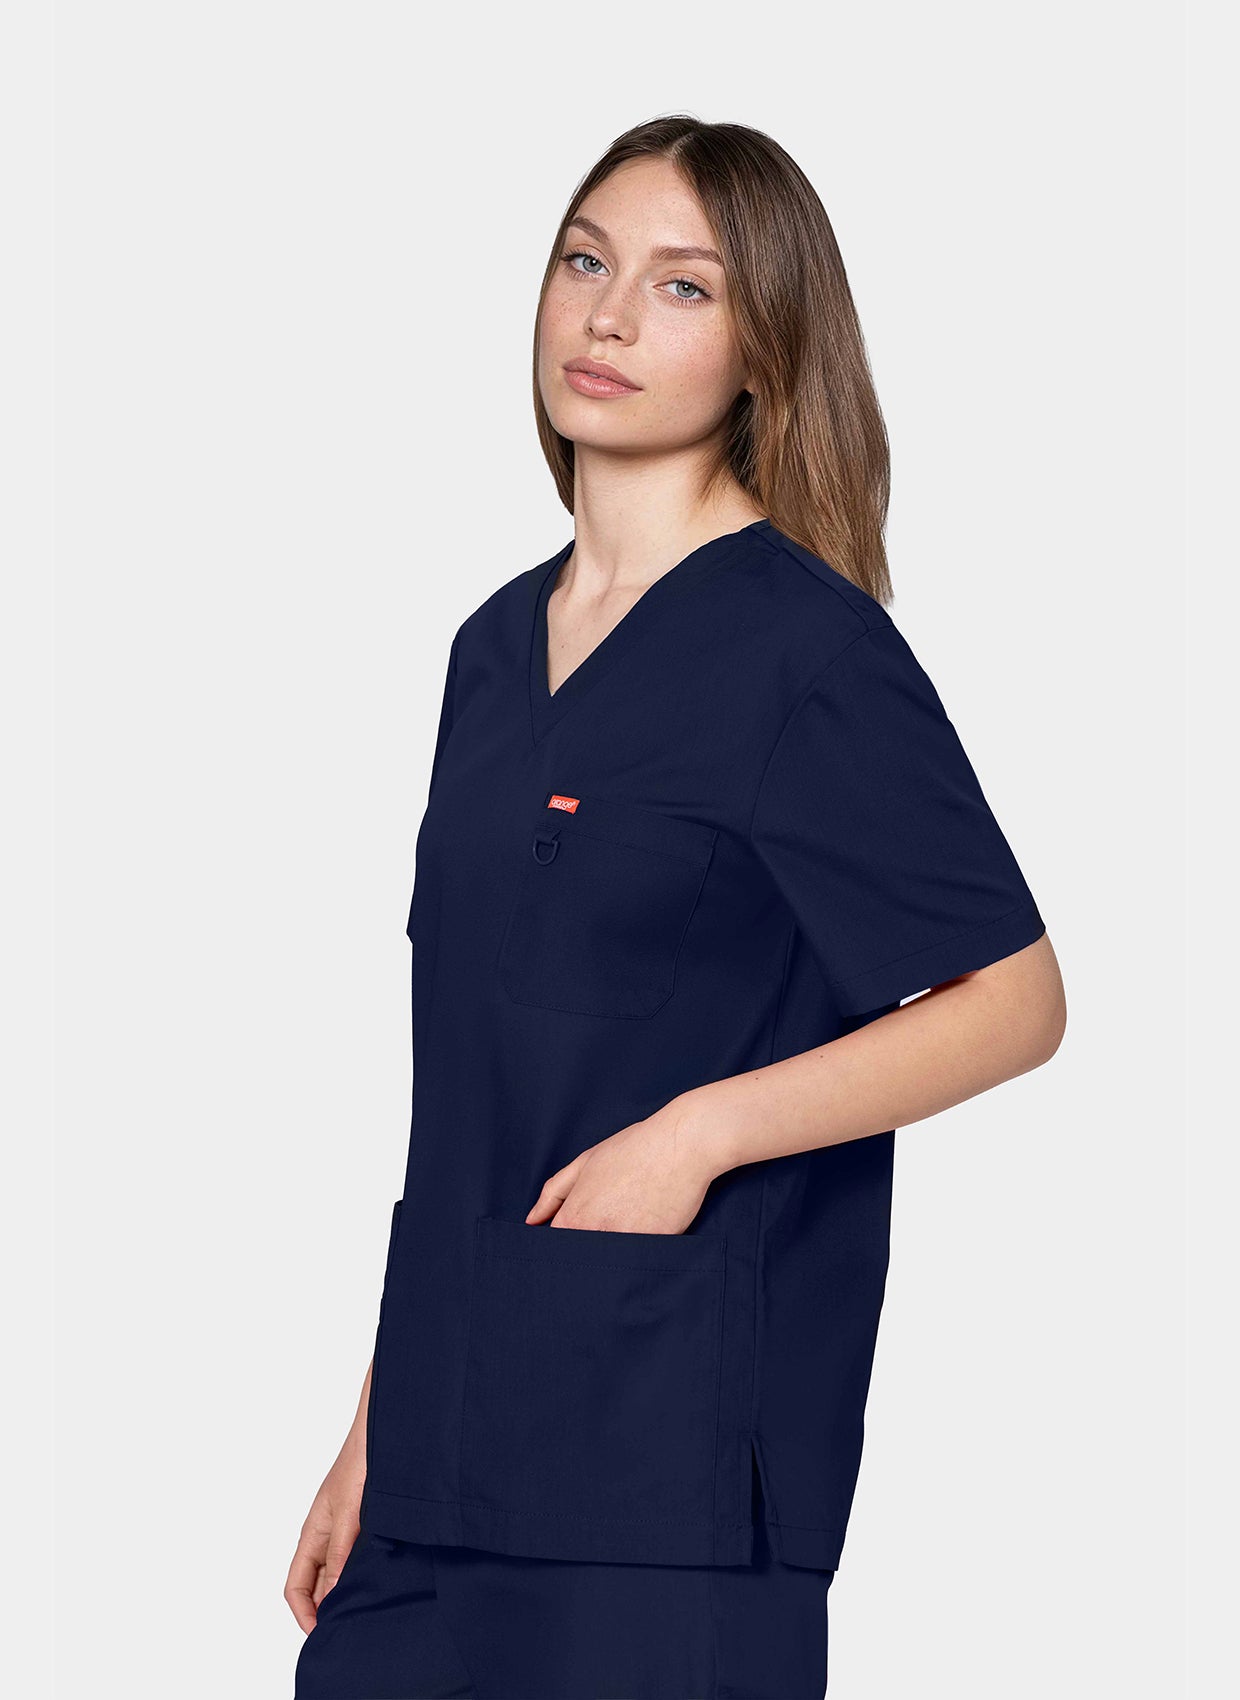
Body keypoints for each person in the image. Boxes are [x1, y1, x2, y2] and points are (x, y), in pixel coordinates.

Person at [286, 114, 1066, 1700]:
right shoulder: (489, 652)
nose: (611, 315)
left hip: (665, 1469)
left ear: (766, 347)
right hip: (439, 1448)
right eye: (586, 262)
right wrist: (374, 1423)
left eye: (683, 285)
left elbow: (1016, 999)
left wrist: (697, 1135)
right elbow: (474, 1088)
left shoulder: (809, 655)